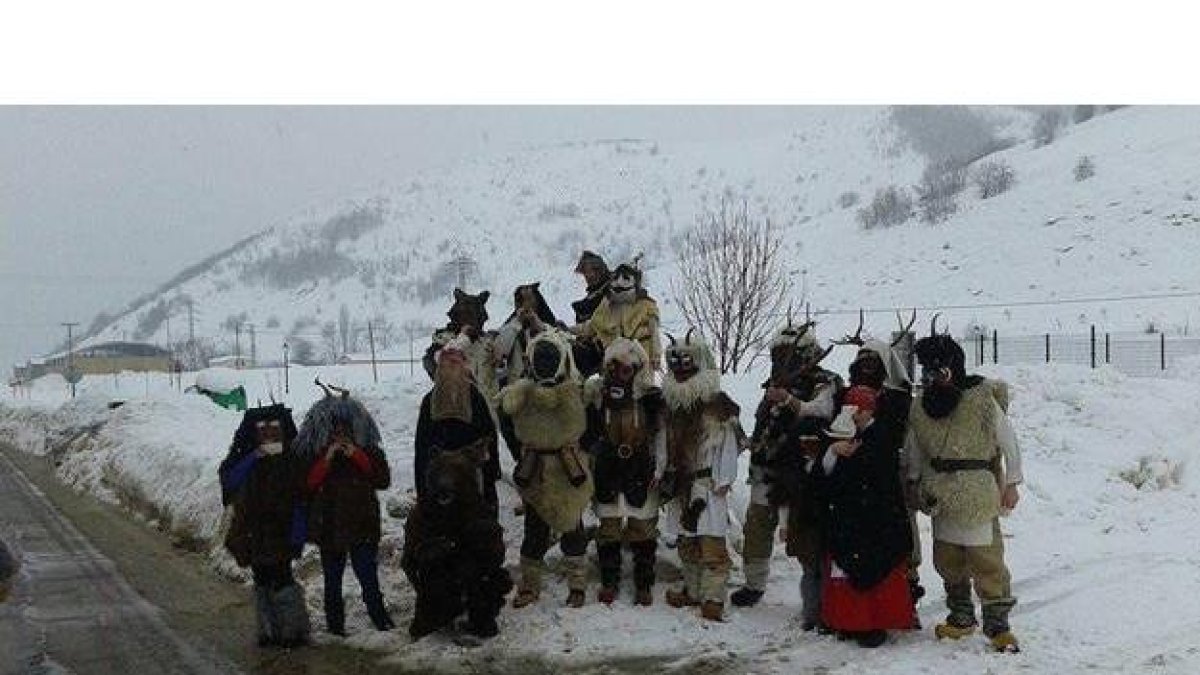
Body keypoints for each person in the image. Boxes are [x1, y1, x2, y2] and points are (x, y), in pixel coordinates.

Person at [905, 329, 1023, 653]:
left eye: (938, 370)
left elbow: (1007, 439)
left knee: (987, 561)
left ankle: (998, 624)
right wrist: (914, 481)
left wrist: (1011, 481)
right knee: (948, 560)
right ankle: (961, 618)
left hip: (977, 492)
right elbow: (915, 446)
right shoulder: (921, 406)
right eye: (927, 371)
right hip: (940, 493)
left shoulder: (981, 397)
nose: (932, 378)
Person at [733, 322, 840, 616]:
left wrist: (790, 401)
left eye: (789, 354)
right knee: (756, 527)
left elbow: (821, 411)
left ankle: (817, 593)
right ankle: (754, 583)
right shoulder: (773, 383)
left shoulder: (826, 381)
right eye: (779, 354)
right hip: (767, 467)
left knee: (806, 533)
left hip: (804, 471)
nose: (782, 360)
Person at [498, 330, 594, 609]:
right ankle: (529, 585)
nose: (544, 363)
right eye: (540, 358)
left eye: (550, 358)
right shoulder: (520, 393)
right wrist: (525, 453)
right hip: (536, 469)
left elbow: (590, 426)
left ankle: (577, 584)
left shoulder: (573, 391)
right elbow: (507, 425)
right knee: (535, 529)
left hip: (567, 468)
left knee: (572, 527)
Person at [817, 386, 914, 648]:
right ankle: (848, 621)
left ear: (867, 411)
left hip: (875, 518)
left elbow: (878, 475)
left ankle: (873, 623)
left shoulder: (881, 437)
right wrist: (833, 452)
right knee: (846, 570)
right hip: (849, 516)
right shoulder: (844, 434)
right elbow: (826, 473)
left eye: (856, 410)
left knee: (873, 571)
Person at [296, 383, 395, 636]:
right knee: (332, 579)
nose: (340, 434)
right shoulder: (315, 453)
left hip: (362, 525)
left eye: (345, 428)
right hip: (329, 527)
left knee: (367, 575)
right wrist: (327, 459)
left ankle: (380, 618)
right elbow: (307, 484)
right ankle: (335, 625)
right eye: (335, 429)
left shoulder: (368, 450)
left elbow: (382, 479)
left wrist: (358, 456)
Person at [660, 329, 744, 621]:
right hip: (680, 484)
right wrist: (662, 474)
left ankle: (712, 598)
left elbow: (728, 445)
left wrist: (724, 479)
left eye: (687, 361)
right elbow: (663, 444)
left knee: (711, 545)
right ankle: (693, 591)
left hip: (707, 485)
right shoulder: (671, 407)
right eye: (676, 362)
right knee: (687, 542)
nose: (680, 368)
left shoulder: (717, 405)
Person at [582, 337, 666, 606]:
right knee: (609, 527)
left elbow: (661, 435)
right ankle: (610, 580)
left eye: (628, 368)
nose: (621, 372)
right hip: (608, 465)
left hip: (640, 465)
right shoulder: (598, 395)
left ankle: (643, 582)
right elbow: (587, 432)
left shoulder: (650, 398)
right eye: (616, 367)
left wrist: (661, 467)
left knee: (642, 527)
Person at [218, 403, 311, 648]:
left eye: (273, 427)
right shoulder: (246, 457)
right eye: (262, 427)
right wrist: (253, 457)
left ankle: (292, 630)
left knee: (282, 578)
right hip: (254, 531)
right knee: (261, 579)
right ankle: (269, 630)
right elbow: (230, 480)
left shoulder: (292, 458)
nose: (268, 432)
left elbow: (302, 496)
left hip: (282, 530)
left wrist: (298, 532)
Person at [849, 337, 922, 625]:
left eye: (872, 363)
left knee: (903, 544)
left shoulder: (900, 401)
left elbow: (911, 441)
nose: (867, 369)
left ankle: (906, 604)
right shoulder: (850, 396)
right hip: (861, 487)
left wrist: (912, 476)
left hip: (895, 482)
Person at [414, 335, 501, 515]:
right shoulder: (472, 397)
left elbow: (421, 449)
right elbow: (489, 437)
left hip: (448, 481)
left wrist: (422, 492)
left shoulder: (432, 400)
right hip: (466, 479)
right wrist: (492, 475)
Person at [574, 258, 662, 382]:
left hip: (640, 360)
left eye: (626, 278)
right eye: (616, 278)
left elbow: (655, 334)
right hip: (614, 361)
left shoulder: (647, 305)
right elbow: (591, 327)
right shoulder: (606, 305)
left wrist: (656, 356)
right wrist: (569, 330)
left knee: (640, 394)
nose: (619, 282)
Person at [570, 250, 611, 378]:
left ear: (599, 271)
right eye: (585, 273)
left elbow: (597, 324)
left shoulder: (611, 294)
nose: (588, 276)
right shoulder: (589, 299)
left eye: (591, 271)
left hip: (608, 348)